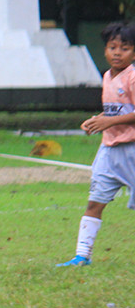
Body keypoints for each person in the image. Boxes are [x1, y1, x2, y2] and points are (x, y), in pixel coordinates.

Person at [57, 21, 135, 267]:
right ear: (105, 50)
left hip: (132, 151)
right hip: (109, 151)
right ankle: (82, 256)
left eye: (124, 48)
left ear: (134, 52)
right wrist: (96, 122)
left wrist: (109, 121)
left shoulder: (132, 77)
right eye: (112, 47)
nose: (117, 52)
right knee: (94, 202)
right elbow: (112, 113)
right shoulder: (106, 77)